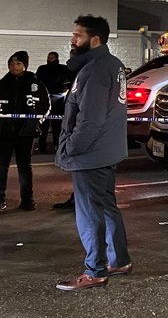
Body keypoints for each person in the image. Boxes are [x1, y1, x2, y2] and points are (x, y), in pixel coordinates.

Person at [55, 15, 132, 291]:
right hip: (107, 152)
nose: (72, 40)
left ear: (94, 39)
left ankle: (95, 270)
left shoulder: (95, 71)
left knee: (89, 215)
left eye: (77, 35)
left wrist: (70, 148)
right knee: (107, 207)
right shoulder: (112, 65)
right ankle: (119, 260)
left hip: (90, 155)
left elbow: (91, 120)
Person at [0, 51, 49, 211]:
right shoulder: (3, 83)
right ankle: (0, 199)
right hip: (4, 132)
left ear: (25, 66)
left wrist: (35, 122)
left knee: (24, 166)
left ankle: (27, 200)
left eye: (18, 64)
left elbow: (45, 105)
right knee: (1, 166)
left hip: (26, 133)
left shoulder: (35, 83)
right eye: (12, 64)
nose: (15, 67)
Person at [35, 51, 71, 153]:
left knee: (57, 124)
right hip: (48, 98)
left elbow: (68, 81)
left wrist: (65, 88)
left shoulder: (62, 69)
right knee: (44, 124)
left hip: (57, 97)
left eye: (51, 57)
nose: (49, 59)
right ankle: (43, 146)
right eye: (49, 57)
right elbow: (37, 82)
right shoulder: (43, 69)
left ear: (56, 58)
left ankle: (57, 145)